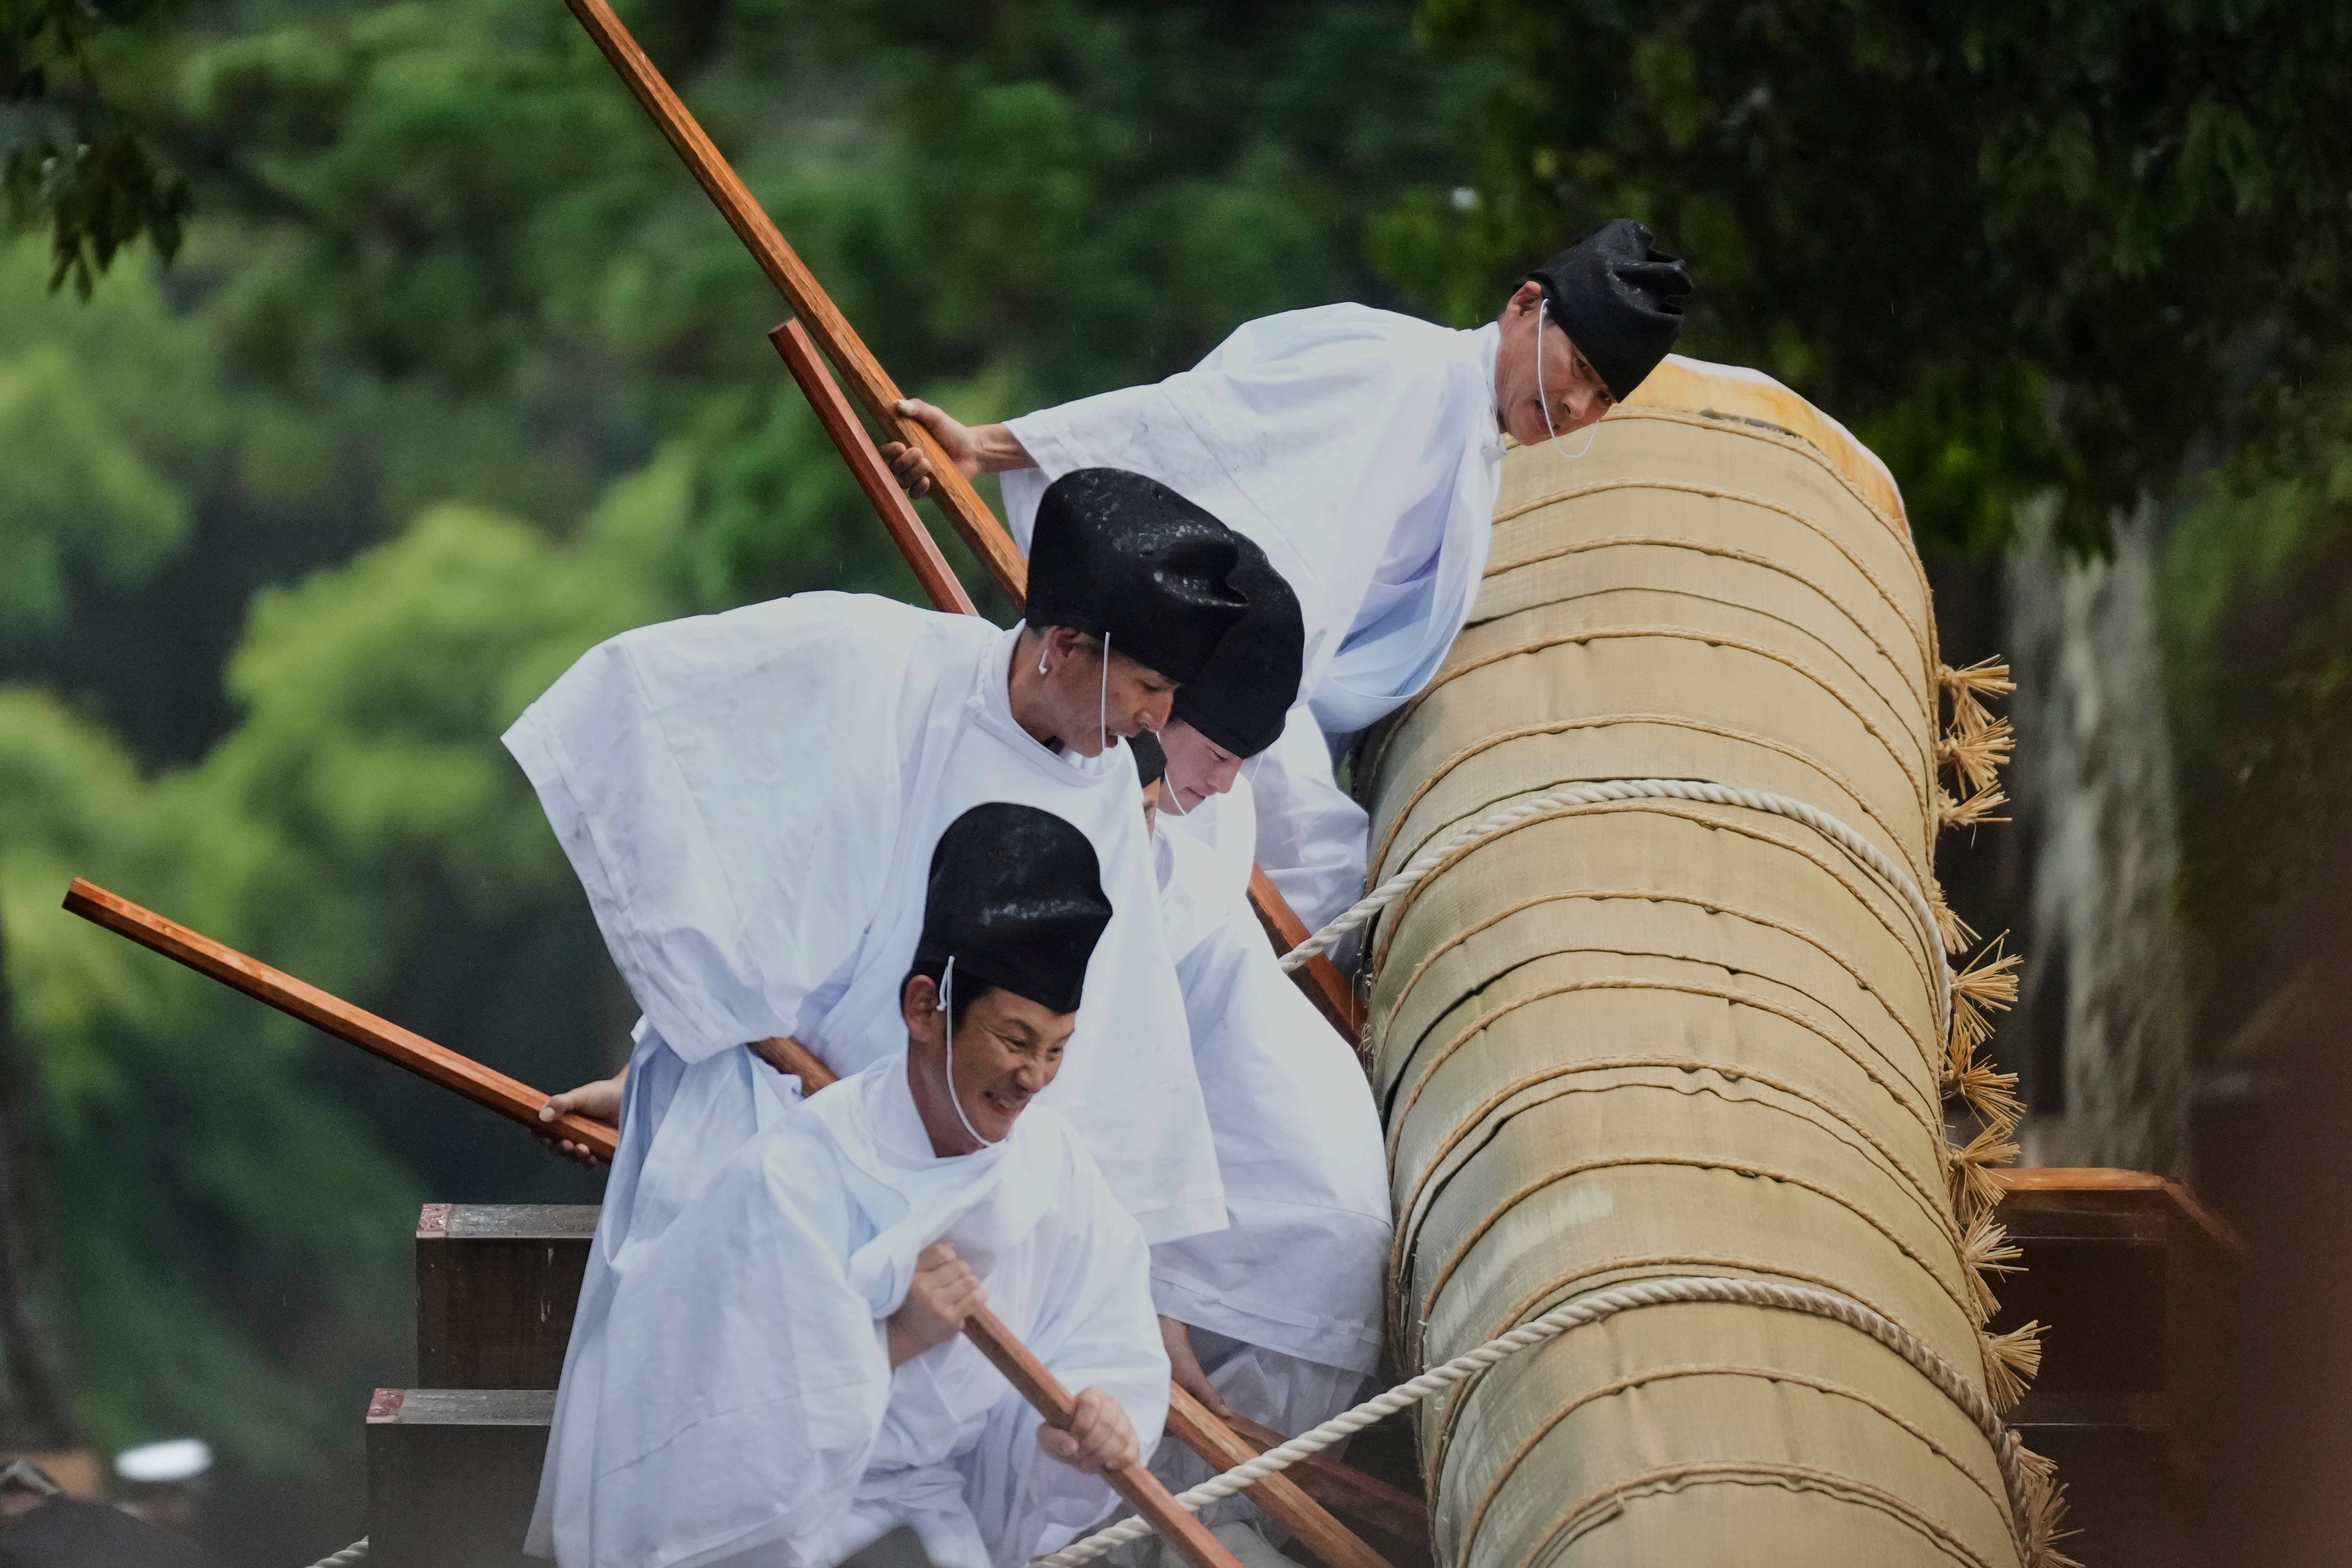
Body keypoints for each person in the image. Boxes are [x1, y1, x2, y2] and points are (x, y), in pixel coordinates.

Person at [512, 470, 1267, 1425]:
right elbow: (682, 752)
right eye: (1150, 687)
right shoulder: (889, 663)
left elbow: (1113, 1047)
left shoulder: (1110, 789)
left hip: (958, 1189)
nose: (1157, 721)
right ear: (1067, 646)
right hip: (789, 1131)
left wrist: (1130, 1296)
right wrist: (668, 1062)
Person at [886, 220, 1694, 929]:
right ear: (1526, 305)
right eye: (1579, 365)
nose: (1579, 404)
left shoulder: (1475, 439)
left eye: (1603, 396)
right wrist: (989, 447)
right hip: (1201, 687)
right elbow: (1201, 421)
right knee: (1318, 869)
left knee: (1310, 878)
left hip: (1267, 707)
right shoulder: (1398, 366)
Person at [529, 804, 1171, 1568]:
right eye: (1014, 1040)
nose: (1033, 1079)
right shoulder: (797, 1173)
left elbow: (1103, 1343)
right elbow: (711, 1437)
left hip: (938, 1523)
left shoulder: (1056, 1172)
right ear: (925, 1008)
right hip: (794, 1541)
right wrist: (893, 1340)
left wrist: (1091, 1419)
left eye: (1057, 1051)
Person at [1122, 571, 1389, 1543]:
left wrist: (1140, 1276)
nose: (1228, 778)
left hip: (1272, 1199)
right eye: (1221, 752)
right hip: (1257, 1173)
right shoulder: (1145, 791)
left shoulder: (1192, 808)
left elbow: (1117, 1059)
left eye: (1244, 758)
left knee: (1190, 1510)